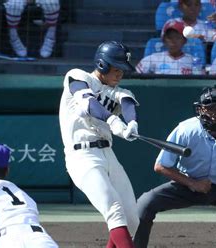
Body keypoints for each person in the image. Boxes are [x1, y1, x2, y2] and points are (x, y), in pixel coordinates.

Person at [133, 86, 216, 248]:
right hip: (187, 187)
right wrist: (192, 183)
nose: (215, 113)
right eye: (209, 108)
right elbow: (161, 166)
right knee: (145, 203)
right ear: (200, 110)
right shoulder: (186, 130)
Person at [59, 41, 140, 248]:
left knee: (131, 220)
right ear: (102, 64)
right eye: (116, 68)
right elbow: (89, 103)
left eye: (123, 69)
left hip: (108, 154)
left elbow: (127, 103)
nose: (120, 73)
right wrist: (113, 121)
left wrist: (131, 123)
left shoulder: (116, 90)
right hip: (83, 157)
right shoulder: (77, 76)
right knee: (114, 210)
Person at [136, 20, 203, 75]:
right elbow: (136, 76)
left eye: (177, 38)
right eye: (170, 38)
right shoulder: (152, 59)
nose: (173, 41)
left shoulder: (193, 62)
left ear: (184, 41)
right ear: (164, 40)